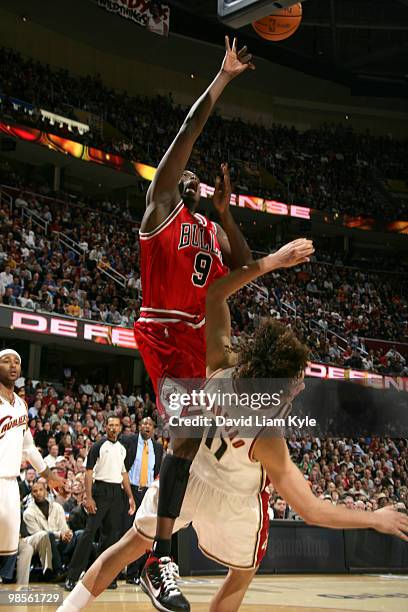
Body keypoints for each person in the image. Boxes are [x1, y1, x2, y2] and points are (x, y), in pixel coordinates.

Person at [58, 237, 408, 612]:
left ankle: (67, 609)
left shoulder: (222, 363)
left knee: (127, 547)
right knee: (242, 572)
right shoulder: (268, 436)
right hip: (235, 501)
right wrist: (375, 518)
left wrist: (271, 262)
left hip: (188, 475)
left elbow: (214, 296)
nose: (301, 386)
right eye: (295, 380)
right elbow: (311, 510)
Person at [133, 35, 254, 611]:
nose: (189, 178)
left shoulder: (206, 229)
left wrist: (228, 216)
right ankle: (160, 562)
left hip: (198, 340)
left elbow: (248, 266)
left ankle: (154, 555)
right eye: (182, 175)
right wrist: (223, 78)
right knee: (182, 436)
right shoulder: (160, 207)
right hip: (163, 330)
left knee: (185, 445)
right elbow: (186, 132)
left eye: (195, 182)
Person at [0, 349, 64, 574]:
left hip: (10, 483)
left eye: (16, 361)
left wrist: (50, 477)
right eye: (6, 361)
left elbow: (28, 447)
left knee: (7, 549)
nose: (12, 365)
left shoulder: (20, 404)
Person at [64, 414, 136, 591]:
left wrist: (130, 496)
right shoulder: (98, 446)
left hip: (116, 493)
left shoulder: (121, 448)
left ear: (120, 428)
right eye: (110, 425)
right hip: (100, 491)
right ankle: (72, 576)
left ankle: (106, 578)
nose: (113, 428)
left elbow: (123, 473)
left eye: (116, 425)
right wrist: (88, 497)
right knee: (89, 534)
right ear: (105, 427)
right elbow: (89, 472)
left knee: (111, 538)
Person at [120, 417, 163, 585]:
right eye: (144, 424)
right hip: (130, 491)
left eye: (150, 424)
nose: (147, 426)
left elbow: (157, 470)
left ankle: (141, 572)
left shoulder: (158, 448)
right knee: (129, 532)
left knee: (146, 533)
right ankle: (129, 572)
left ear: (153, 429)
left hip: (148, 492)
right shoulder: (127, 440)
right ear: (139, 427)